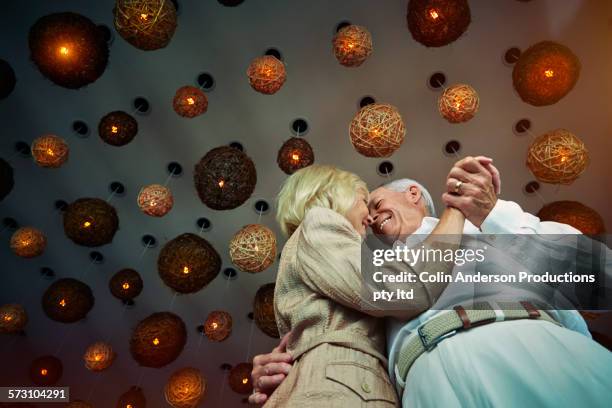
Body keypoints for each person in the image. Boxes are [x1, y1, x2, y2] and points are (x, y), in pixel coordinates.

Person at [251, 157, 612, 407]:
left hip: (532, 350)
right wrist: (289, 365)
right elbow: (337, 340)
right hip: (421, 388)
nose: (372, 218)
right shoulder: (368, 271)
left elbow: (601, 278)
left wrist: (491, 213)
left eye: (375, 202)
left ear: (413, 195)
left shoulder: (483, 227)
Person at [262, 164, 468, 407]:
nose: (370, 218)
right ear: (334, 195)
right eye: (362, 201)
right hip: (340, 390)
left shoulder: (320, 254)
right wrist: (457, 210)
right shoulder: (319, 222)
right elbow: (408, 289)